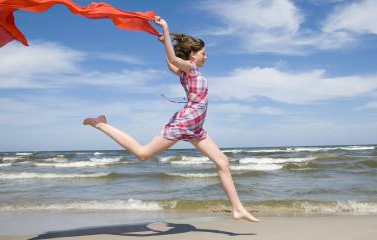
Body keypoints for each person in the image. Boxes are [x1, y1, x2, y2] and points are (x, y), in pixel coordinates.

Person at [83, 16, 259, 222]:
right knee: (142, 154)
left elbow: (171, 64)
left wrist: (164, 46)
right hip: (184, 123)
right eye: (203, 54)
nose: (206, 57)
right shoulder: (191, 70)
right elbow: (174, 61)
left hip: (196, 128)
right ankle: (101, 124)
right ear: (192, 56)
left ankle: (237, 208)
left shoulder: (187, 72)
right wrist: (165, 29)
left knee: (222, 162)